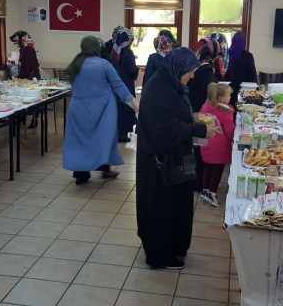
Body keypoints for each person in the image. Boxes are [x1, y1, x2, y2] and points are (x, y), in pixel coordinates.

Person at [135, 47, 216, 269]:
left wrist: (192, 118)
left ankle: (176, 246)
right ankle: (160, 254)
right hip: (160, 161)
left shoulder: (171, 84)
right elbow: (162, 129)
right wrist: (198, 129)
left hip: (177, 155)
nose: (192, 76)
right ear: (177, 67)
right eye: (189, 71)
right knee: (162, 208)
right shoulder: (158, 89)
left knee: (179, 203)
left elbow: (175, 115)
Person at [63, 36, 140, 185]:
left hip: (78, 109)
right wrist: (134, 103)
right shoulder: (103, 64)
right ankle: (105, 168)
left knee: (80, 142)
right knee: (104, 139)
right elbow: (118, 85)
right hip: (102, 109)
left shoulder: (76, 63)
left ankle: (81, 175)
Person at [187, 37, 220, 188]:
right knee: (201, 149)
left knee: (195, 148)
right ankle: (199, 181)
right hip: (202, 114)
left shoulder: (197, 69)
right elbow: (209, 96)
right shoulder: (208, 73)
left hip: (194, 110)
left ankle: (195, 179)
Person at [199, 83, 235, 207]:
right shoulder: (226, 112)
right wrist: (234, 139)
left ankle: (205, 189)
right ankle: (212, 192)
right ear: (222, 98)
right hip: (220, 146)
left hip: (207, 142)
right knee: (218, 170)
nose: (230, 97)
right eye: (229, 95)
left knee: (208, 167)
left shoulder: (206, 106)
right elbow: (229, 131)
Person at [109, 26, 139, 143]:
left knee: (118, 108)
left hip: (116, 84)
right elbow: (131, 70)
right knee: (126, 109)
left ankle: (116, 132)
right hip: (126, 84)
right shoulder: (128, 52)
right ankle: (122, 135)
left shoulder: (114, 51)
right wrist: (137, 69)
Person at [225, 31, 257, 106]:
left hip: (228, 89)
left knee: (229, 108)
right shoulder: (248, 56)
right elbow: (252, 74)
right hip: (244, 90)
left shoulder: (228, 54)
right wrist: (255, 89)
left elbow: (226, 73)